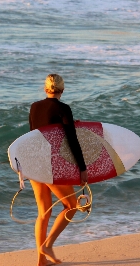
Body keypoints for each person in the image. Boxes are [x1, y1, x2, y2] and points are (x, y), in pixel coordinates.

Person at [29, 74, 88, 266]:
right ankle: (47, 245)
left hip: (34, 164)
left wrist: (69, 125)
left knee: (43, 213)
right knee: (71, 206)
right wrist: (82, 168)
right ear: (62, 90)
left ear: (45, 88)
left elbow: (37, 134)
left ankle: (41, 261)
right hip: (52, 165)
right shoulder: (64, 109)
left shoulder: (34, 107)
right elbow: (71, 140)